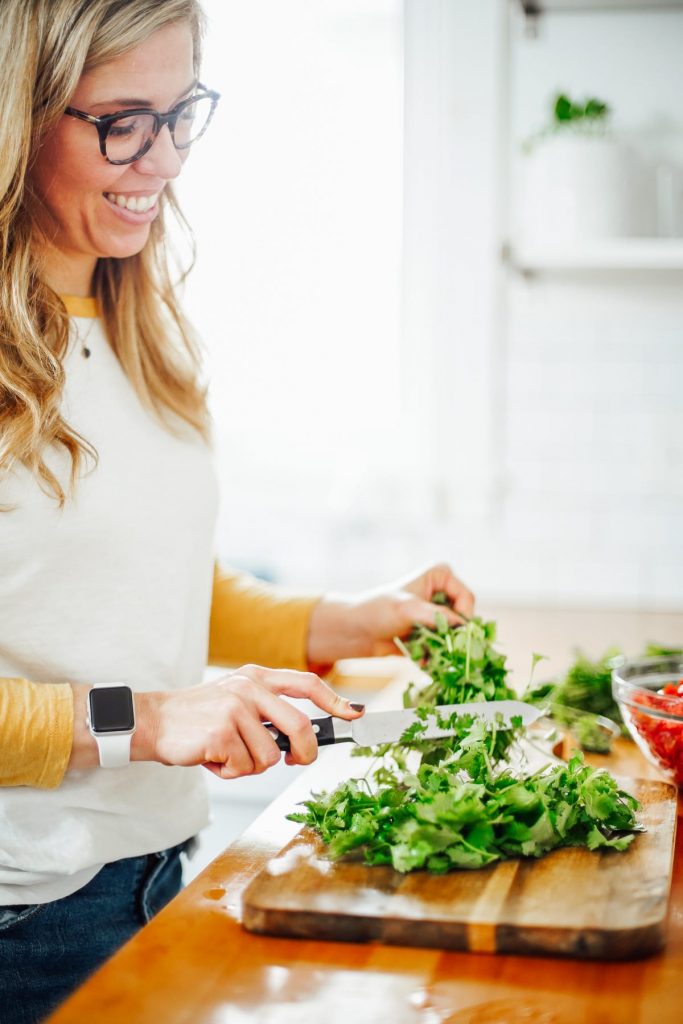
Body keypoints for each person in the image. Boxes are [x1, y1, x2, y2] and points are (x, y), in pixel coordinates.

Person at [0, 2, 474, 1022]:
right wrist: (156, 718)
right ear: (19, 115)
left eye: (183, 115)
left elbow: (147, 580)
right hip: (23, 917)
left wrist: (334, 620)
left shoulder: (143, 336)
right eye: (123, 121)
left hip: (153, 874)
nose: (164, 160)